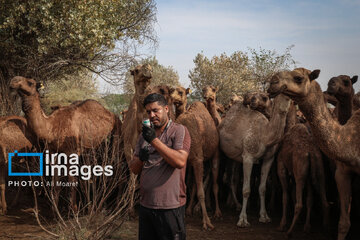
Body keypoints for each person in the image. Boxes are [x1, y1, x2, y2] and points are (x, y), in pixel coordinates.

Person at [129, 93, 191, 240]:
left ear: (166, 109)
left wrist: (153, 140)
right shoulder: (143, 135)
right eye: (148, 111)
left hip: (170, 206)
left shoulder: (179, 131)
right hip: (146, 205)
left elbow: (180, 161)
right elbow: (134, 169)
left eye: (156, 110)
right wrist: (141, 159)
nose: (152, 115)